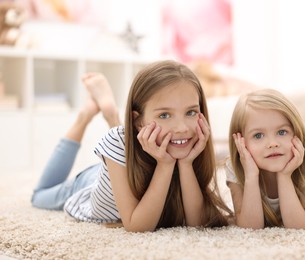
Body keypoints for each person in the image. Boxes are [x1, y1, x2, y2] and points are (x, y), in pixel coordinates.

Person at [31, 60, 232, 232]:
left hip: (125, 159)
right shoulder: (118, 141)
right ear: (137, 121)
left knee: (125, 143)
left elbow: (196, 224)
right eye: (164, 115)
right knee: (39, 196)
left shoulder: (192, 143)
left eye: (190, 112)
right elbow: (136, 226)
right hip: (92, 183)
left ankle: (111, 116)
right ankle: (84, 118)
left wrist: (186, 164)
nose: (181, 128)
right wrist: (165, 164)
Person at [225, 88, 305, 230]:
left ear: (298, 134)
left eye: (282, 132)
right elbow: (250, 228)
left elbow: (301, 228)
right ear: (240, 141)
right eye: (258, 135)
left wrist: (284, 175)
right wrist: (251, 177)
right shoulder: (235, 168)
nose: (272, 143)